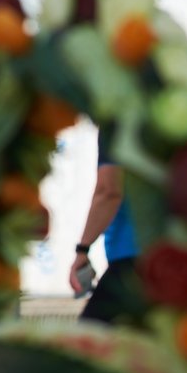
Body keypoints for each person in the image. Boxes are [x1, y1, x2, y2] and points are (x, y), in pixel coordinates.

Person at [69, 132, 146, 325]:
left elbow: (108, 192)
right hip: (177, 252)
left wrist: (82, 249)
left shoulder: (118, 124)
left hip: (132, 257)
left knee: (89, 334)